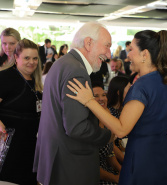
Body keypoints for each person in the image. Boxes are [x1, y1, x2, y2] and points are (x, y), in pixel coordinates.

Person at [67, 30, 167, 185]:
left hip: (142, 159)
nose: (128, 55)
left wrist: (89, 101)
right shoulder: (166, 82)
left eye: (131, 49)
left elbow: (121, 130)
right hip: (162, 156)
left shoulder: (142, 86)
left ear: (144, 54)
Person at [33, 22, 112, 185]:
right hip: (71, 167)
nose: (109, 54)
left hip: (57, 160)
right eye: (107, 46)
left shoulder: (62, 63)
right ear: (89, 43)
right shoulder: (77, 71)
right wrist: (107, 135)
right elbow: (77, 128)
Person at [0, 38, 43, 184]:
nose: (31, 62)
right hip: (8, 151)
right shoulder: (5, 78)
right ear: (16, 58)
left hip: (30, 150)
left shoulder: (37, 83)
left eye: (35, 58)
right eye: (27, 58)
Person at [92, 81, 121, 184]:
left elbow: (109, 152)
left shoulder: (105, 118)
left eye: (104, 95)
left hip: (107, 172)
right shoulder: (88, 125)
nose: (101, 98)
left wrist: (122, 169)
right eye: (96, 96)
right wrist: (115, 178)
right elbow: (90, 167)